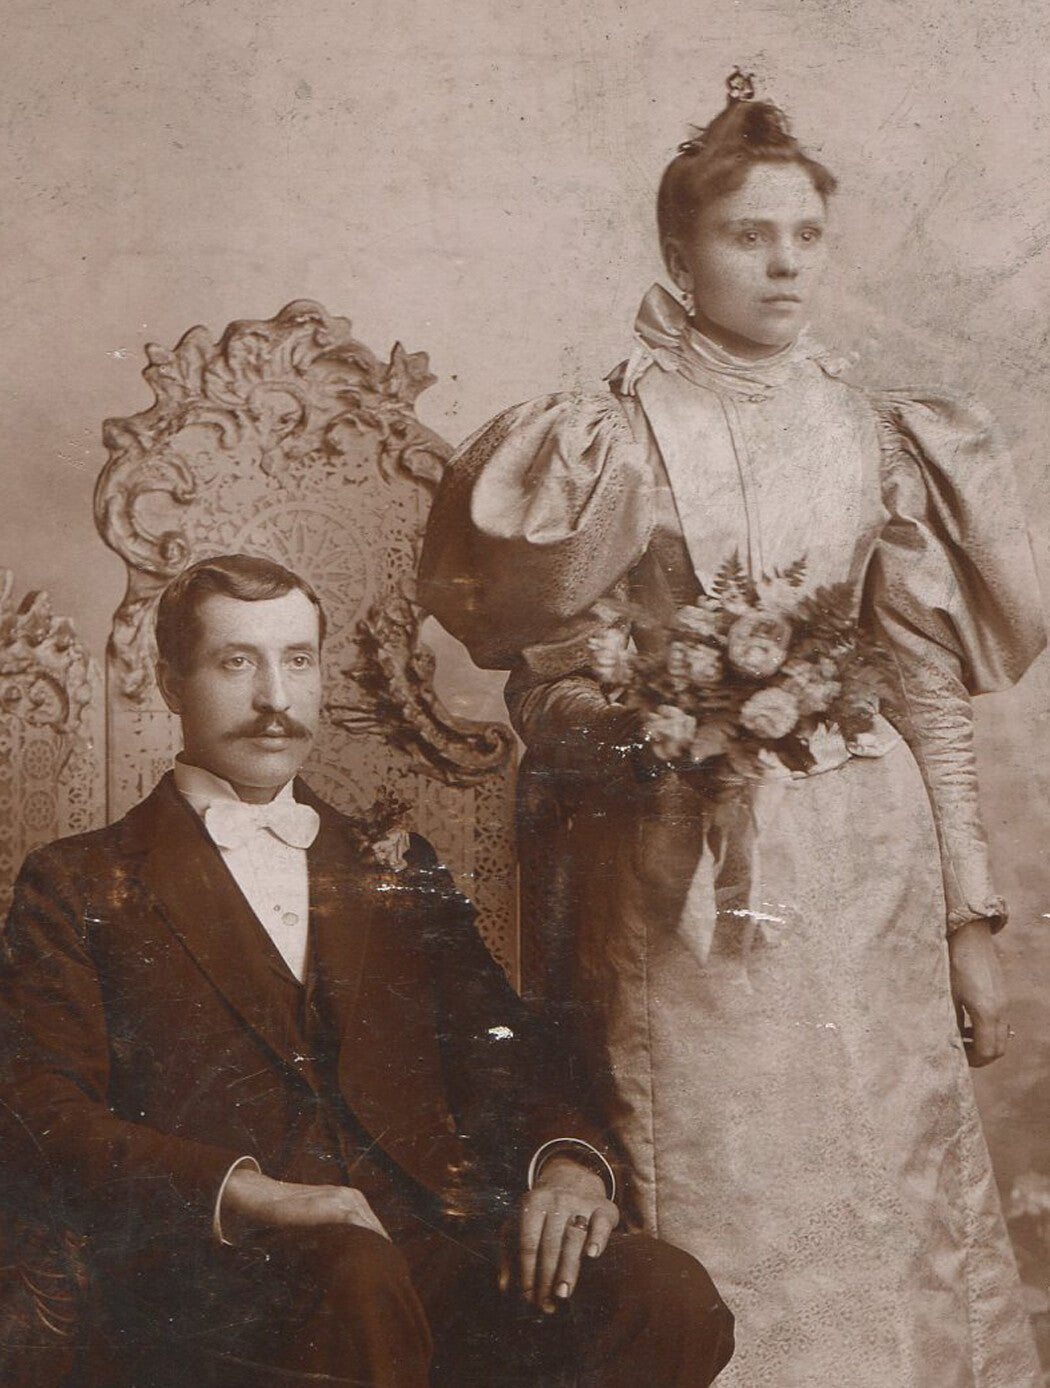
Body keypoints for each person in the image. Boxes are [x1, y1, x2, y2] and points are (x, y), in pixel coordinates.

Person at [417, 78, 1047, 1387]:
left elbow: (923, 691)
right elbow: (540, 689)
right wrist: (648, 731)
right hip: (673, 894)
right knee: (705, 1192)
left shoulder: (879, 439)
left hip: (868, 903)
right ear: (677, 253)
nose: (778, 262)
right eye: (744, 235)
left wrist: (966, 924)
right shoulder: (608, 439)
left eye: (802, 235)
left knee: (883, 1206)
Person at [0, 553, 734, 1388]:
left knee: (663, 1293)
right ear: (171, 683)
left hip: (422, 1256)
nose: (276, 699)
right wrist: (248, 1192)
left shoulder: (390, 861)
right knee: (354, 1278)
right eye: (237, 663)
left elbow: (506, 1047)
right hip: (219, 1279)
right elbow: (39, 1113)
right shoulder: (79, 880)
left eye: (298, 661)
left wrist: (566, 1163)